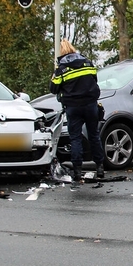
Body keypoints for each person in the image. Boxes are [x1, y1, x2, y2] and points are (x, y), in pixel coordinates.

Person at [50, 39, 105, 182]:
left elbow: (53, 89)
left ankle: (78, 171)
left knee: (75, 138)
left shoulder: (61, 68)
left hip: (73, 107)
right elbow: (94, 79)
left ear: (61, 52)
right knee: (94, 136)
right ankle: (100, 167)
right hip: (90, 104)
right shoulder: (87, 63)